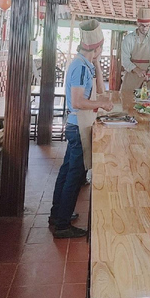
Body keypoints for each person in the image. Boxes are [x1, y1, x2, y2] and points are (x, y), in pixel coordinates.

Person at [50, 19, 113, 238]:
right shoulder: (79, 66)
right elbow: (77, 101)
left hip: (78, 124)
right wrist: (101, 104)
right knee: (76, 175)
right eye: (100, 48)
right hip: (77, 125)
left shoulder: (85, 64)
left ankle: (57, 214)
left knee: (68, 170)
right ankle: (63, 225)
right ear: (96, 48)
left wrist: (96, 61)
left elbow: (101, 88)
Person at [121, 8, 150, 92]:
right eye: (142, 25)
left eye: (147, 25)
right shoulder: (128, 39)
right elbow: (125, 60)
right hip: (130, 80)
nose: (145, 28)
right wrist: (137, 70)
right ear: (137, 23)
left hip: (148, 80)